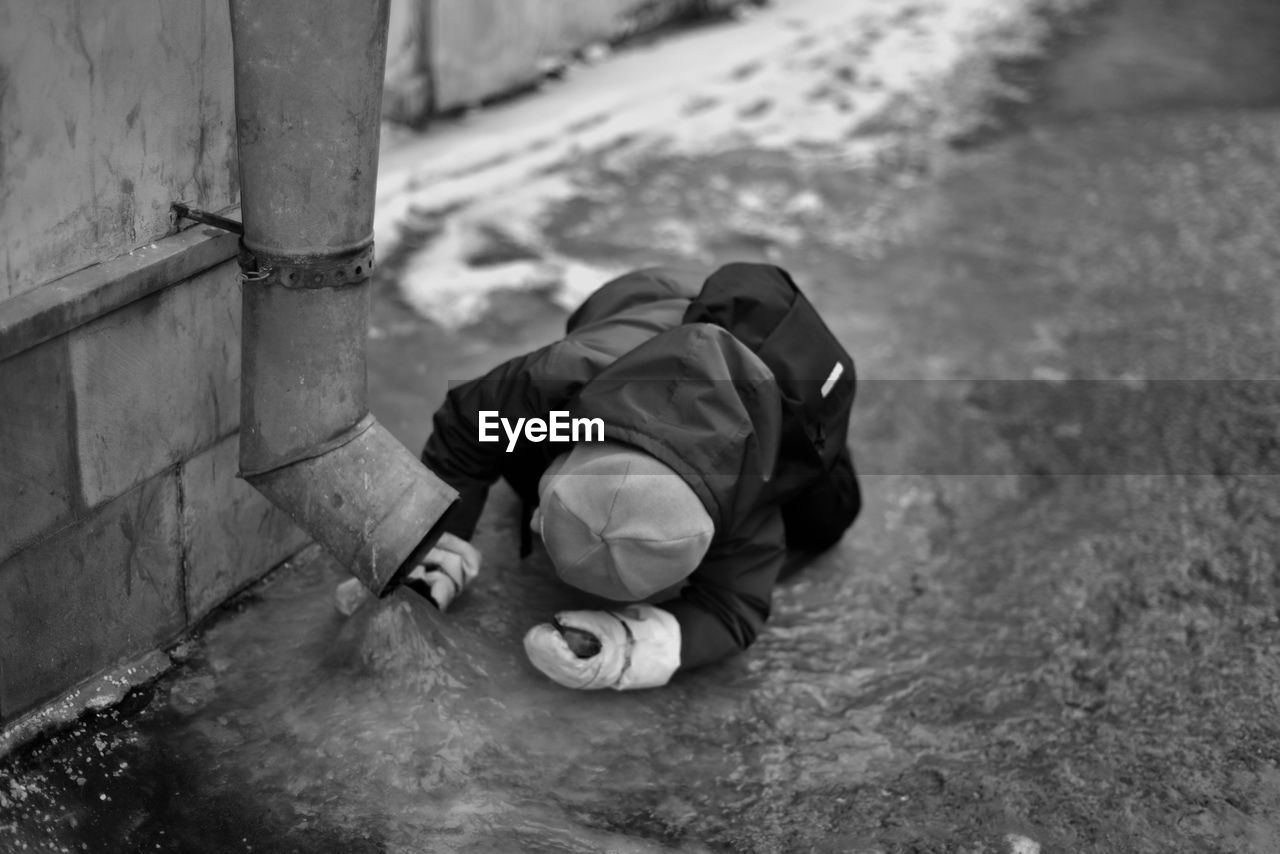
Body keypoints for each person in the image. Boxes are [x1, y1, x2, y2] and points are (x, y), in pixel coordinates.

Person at [337, 263, 862, 690]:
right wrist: (435, 539)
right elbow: (471, 421)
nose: (536, 522)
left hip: (791, 402)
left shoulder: (749, 502)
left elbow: (734, 608)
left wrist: (628, 645)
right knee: (516, 443)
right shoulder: (565, 383)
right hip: (656, 302)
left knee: (831, 518)